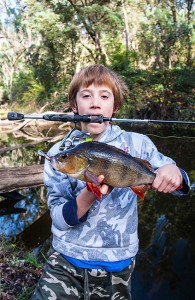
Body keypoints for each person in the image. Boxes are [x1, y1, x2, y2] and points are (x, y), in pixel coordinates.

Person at [31, 64, 190, 300]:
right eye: (86, 95)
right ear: (75, 105)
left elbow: (181, 188)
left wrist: (174, 171)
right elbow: (58, 219)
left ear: (114, 107)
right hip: (65, 261)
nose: (95, 103)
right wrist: (88, 195)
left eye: (104, 96)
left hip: (117, 265)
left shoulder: (138, 144)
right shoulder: (60, 153)